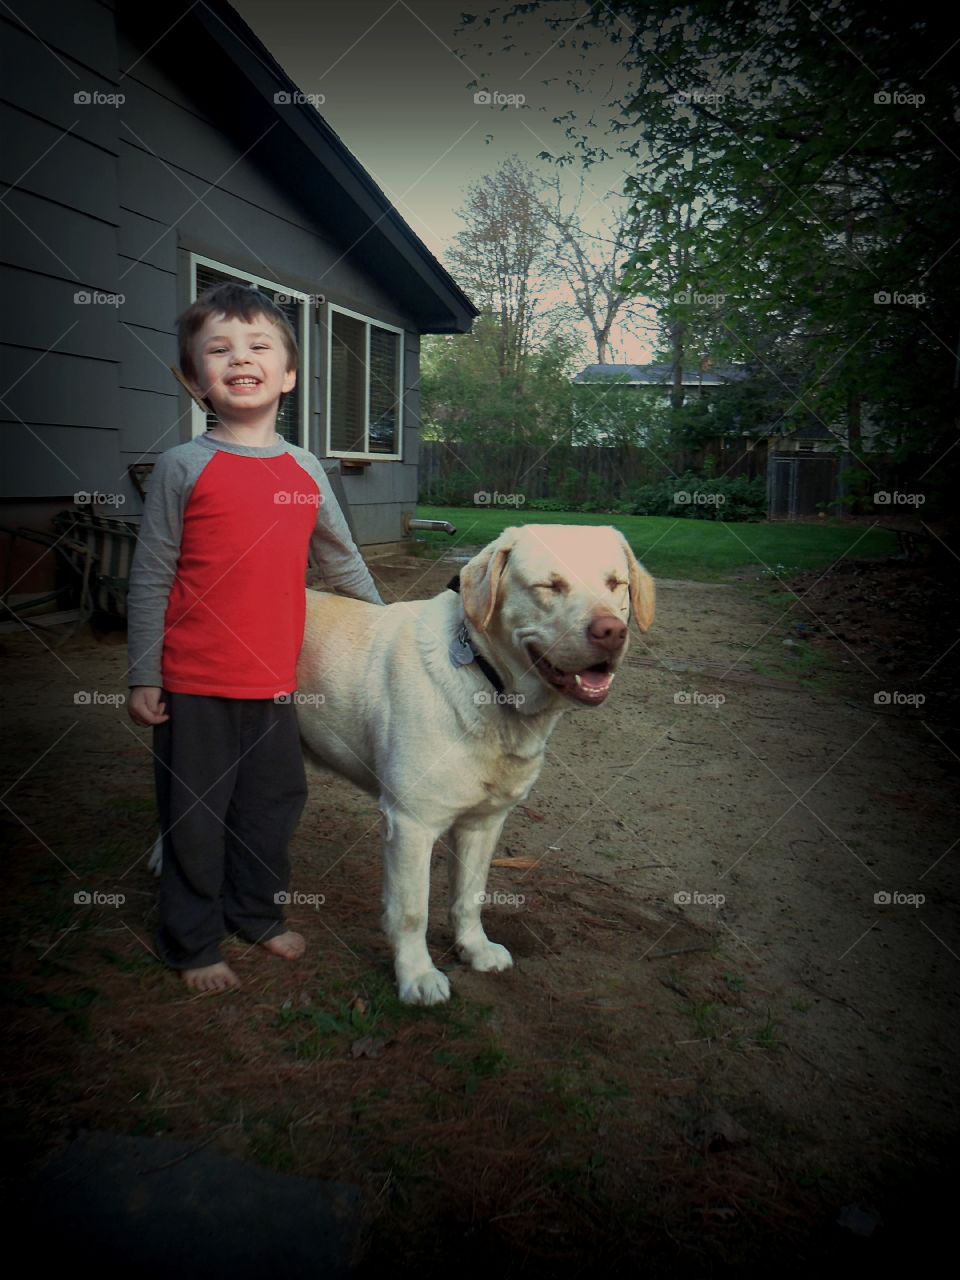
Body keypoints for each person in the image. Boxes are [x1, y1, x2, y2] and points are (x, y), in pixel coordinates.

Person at [126, 282, 384, 992]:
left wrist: (387, 628)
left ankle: (258, 913)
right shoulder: (185, 467)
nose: (241, 358)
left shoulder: (304, 471)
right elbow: (151, 577)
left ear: (289, 373)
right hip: (195, 683)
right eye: (219, 349)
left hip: (276, 681)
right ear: (193, 378)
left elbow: (340, 560)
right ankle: (193, 941)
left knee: (271, 807)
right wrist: (144, 672)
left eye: (259, 345)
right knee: (195, 816)